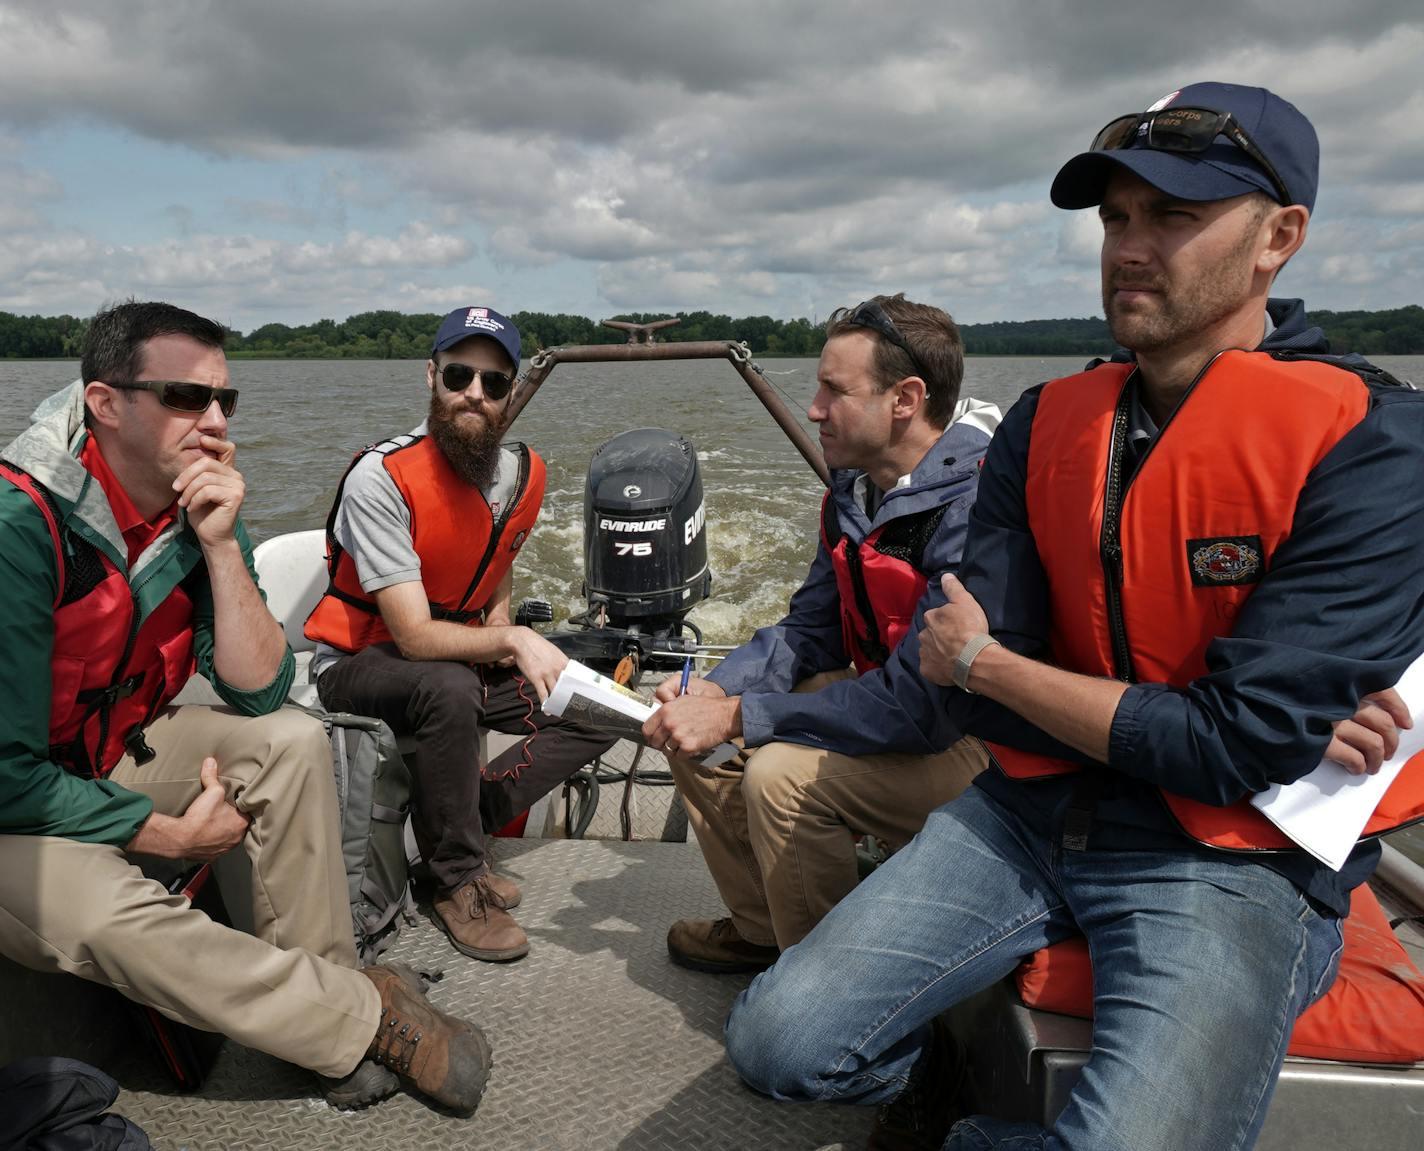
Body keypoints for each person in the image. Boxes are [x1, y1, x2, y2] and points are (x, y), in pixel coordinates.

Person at [723, 82, 1424, 1151]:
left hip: (1229, 860)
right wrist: (1230, 721)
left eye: (1173, 217)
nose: (1128, 247)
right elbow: (1000, 691)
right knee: (775, 1044)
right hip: (1027, 815)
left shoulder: (1371, 441)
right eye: (1114, 217)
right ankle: (940, 1090)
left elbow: (1010, 677)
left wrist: (1007, 671)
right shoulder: (1045, 423)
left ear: (1279, 237)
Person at [0, 301, 491, 1115]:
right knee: (99, 906)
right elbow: (7, 777)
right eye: (188, 398)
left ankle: (329, 995)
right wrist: (161, 831)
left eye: (228, 399)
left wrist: (222, 543)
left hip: (98, 752)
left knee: (290, 740)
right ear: (106, 404)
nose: (217, 420)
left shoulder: (191, 507)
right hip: (15, 806)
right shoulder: (20, 529)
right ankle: (362, 1018)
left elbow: (259, 689)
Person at [642, 294, 997, 970]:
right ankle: (765, 932)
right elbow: (809, 630)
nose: (813, 408)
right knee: (692, 736)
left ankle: (830, 990)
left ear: (906, 398)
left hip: (969, 744)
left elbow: (918, 710)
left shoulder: (974, 505)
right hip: (890, 701)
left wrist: (744, 716)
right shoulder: (855, 491)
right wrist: (715, 692)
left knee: (778, 775)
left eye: (834, 390)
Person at [306, 305, 617, 963]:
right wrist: (510, 644)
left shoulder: (522, 474)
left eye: (494, 381)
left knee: (595, 702)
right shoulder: (381, 476)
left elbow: (497, 559)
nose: (475, 392)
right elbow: (415, 638)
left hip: (454, 653)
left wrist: (503, 628)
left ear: (508, 394)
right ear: (432, 376)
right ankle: (456, 883)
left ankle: (466, 823)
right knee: (448, 685)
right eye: (459, 374)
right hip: (360, 659)